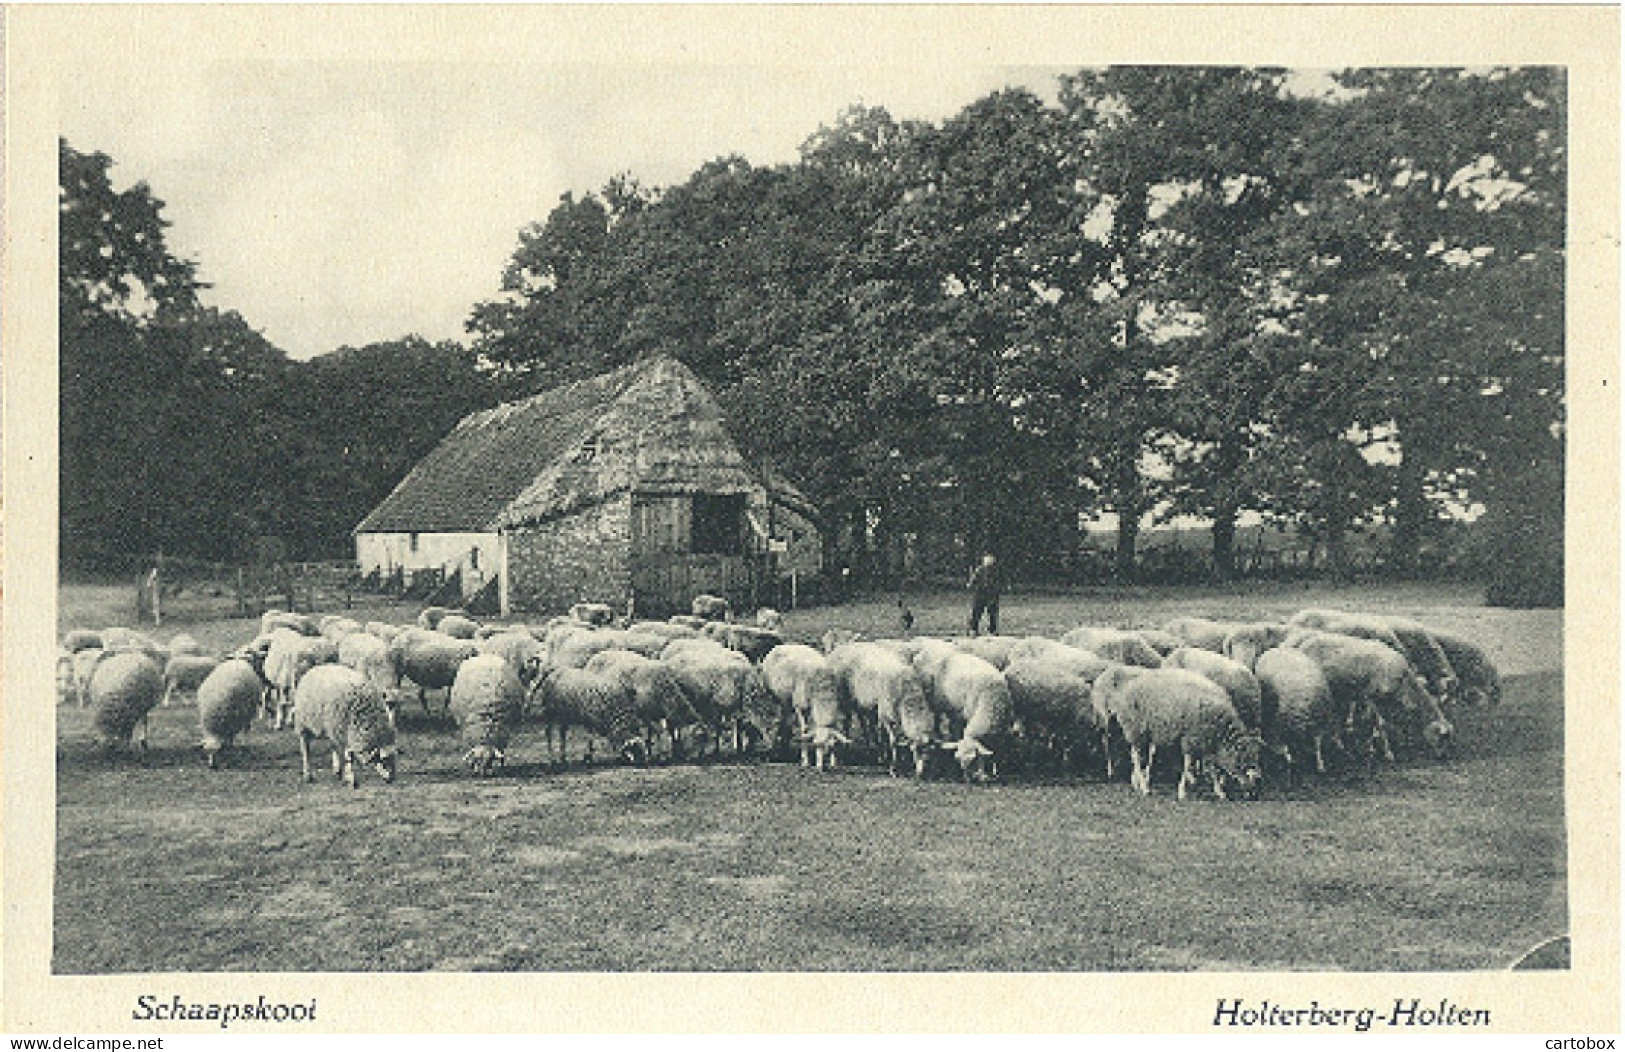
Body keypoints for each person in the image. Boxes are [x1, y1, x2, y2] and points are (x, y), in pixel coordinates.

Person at [966, 553, 1003, 636]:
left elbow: (999, 582)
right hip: (980, 593)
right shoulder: (980, 570)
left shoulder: (995, 571)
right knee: (977, 612)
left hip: (991, 594)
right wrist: (972, 585)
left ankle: (992, 630)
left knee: (992, 612)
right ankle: (973, 629)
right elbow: (972, 582)